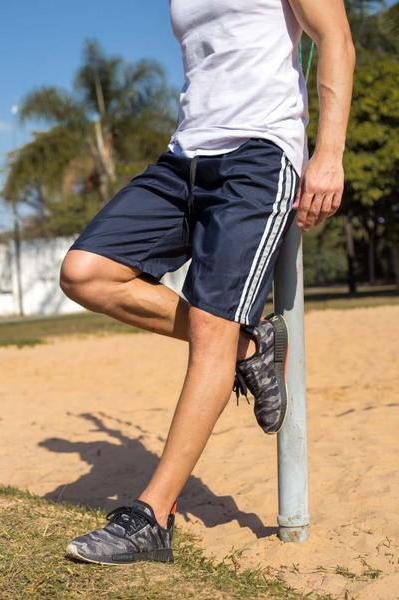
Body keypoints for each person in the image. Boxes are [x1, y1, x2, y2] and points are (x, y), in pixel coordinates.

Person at [60, 0, 355, 565]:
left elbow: (335, 37)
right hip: (186, 156)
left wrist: (330, 152)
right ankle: (251, 345)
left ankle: (153, 516)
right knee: (85, 272)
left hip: (259, 154)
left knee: (211, 326)